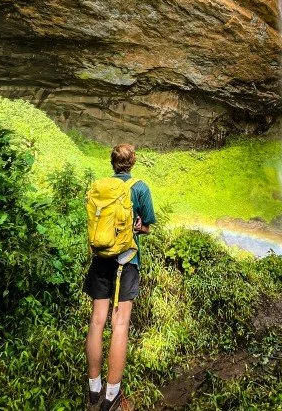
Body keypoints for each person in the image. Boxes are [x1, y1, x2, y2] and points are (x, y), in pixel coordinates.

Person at [85, 143, 156, 411]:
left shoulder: (100, 187)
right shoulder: (139, 187)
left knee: (96, 321)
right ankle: (112, 395)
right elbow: (146, 225)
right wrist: (139, 226)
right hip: (126, 260)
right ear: (133, 162)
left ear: (112, 162)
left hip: (100, 258)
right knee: (121, 324)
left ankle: (94, 389)